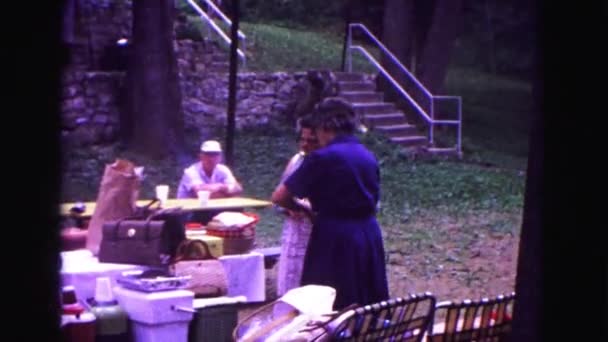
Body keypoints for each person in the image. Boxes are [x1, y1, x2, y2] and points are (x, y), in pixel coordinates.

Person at [271, 97, 389, 310]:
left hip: (334, 235)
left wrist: (303, 209)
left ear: (326, 126)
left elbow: (279, 197)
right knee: (366, 298)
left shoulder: (322, 157)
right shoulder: (367, 156)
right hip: (368, 233)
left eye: (316, 131)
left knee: (329, 299)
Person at [275, 114, 320, 296]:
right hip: (294, 229)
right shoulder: (296, 161)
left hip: (314, 229)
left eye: (311, 141)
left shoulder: (325, 162)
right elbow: (278, 195)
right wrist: (287, 208)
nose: (305, 145)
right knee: (290, 278)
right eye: (303, 140)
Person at [177, 140, 243, 199]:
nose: (211, 158)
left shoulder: (223, 169)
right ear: (201, 156)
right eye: (208, 154)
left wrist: (220, 187)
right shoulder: (191, 171)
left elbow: (238, 189)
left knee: (236, 210)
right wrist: (226, 191)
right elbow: (201, 193)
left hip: (212, 207)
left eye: (215, 154)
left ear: (220, 157)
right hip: (188, 210)